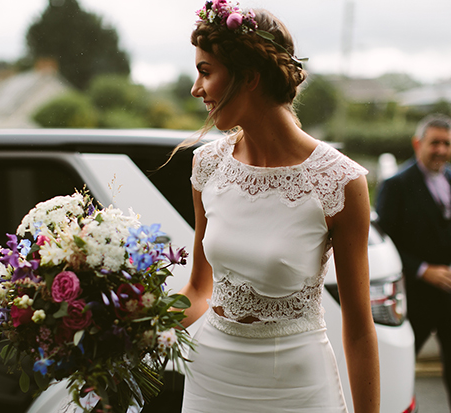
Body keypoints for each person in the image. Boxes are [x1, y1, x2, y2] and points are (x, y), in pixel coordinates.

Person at [177, 2, 380, 412]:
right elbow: (200, 289)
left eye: (205, 71)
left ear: (249, 78)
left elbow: (359, 330)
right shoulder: (207, 164)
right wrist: (128, 326)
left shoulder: (340, 182)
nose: (196, 89)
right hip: (211, 382)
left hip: (297, 387)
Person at [376, 114, 451, 413]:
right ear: (417, 143)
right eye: (434, 143)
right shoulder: (395, 185)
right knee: (399, 367)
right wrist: (424, 270)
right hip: (417, 297)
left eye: (447, 144)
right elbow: (386, 243)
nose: (441, 150)